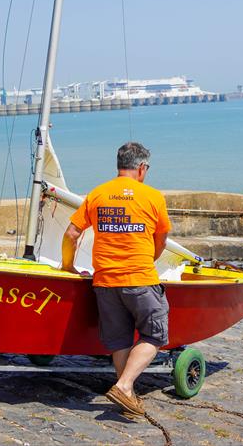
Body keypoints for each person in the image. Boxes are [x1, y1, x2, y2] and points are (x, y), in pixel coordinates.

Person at [61, 142, 171, 417]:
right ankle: (123, 385)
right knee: (156, 334)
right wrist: (148, 260)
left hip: (105, 281)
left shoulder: (98, 194)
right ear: (142, 168)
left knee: (119, 340)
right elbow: (161, 240)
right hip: (139, 278)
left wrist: (67, 266)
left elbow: (71, 233)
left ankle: (127, 396)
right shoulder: (153, 197)